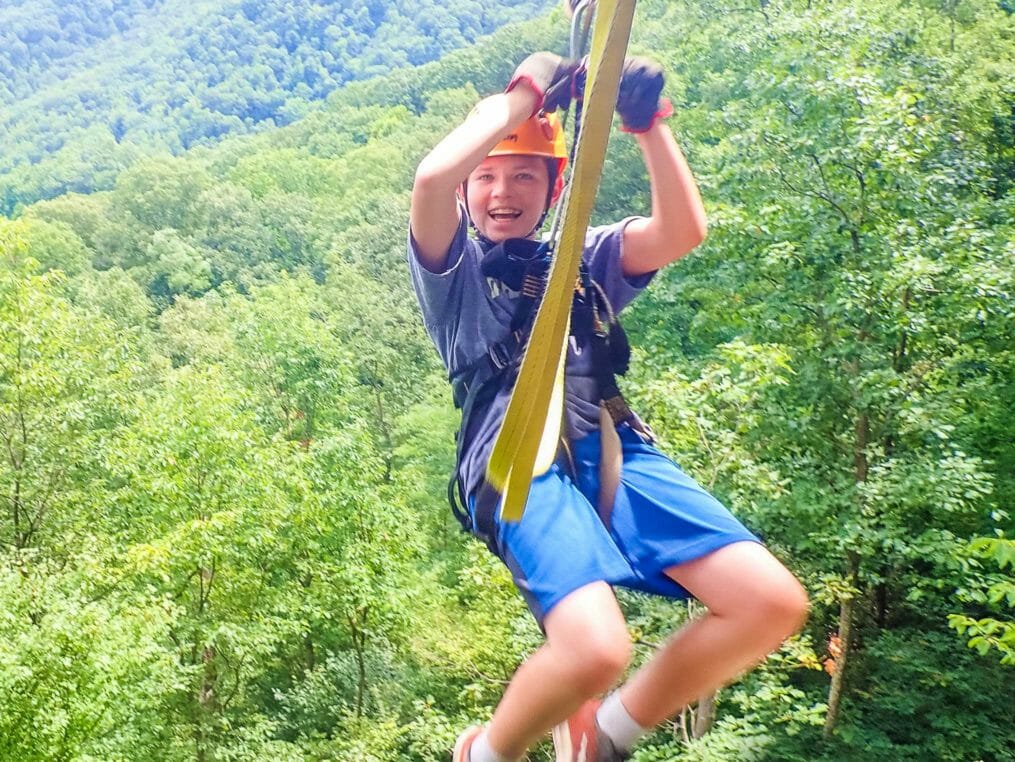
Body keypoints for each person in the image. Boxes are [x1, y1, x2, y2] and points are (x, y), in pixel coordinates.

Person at [408, 51, 809, 762]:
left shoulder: (579, 258)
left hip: (608, 447)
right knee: (595, 650)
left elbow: (681, 231)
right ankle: (489, 752)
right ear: (469, 193)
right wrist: (526, 94)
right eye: (489, 178)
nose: (503, 192)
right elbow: (431, 178)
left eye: (524, 176)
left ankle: (610, 736)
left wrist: (645, 125)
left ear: (554, 184)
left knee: (769, 604)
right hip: (515, 459)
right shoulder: (456, 280)